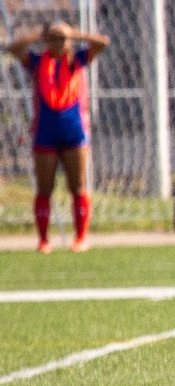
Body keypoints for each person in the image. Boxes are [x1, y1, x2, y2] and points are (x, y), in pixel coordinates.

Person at [8, 20, 110, 253]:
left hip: (73, 131)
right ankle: (43, 240)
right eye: (54, 39)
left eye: (62, 39)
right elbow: (14, 49)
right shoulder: (37, 62)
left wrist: (72, 33)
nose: (58, 43)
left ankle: (81, 237)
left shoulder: (77, 60)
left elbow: (103, 43)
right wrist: (40, 34)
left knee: (78, 185)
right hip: (46, 132)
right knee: (45, 188)